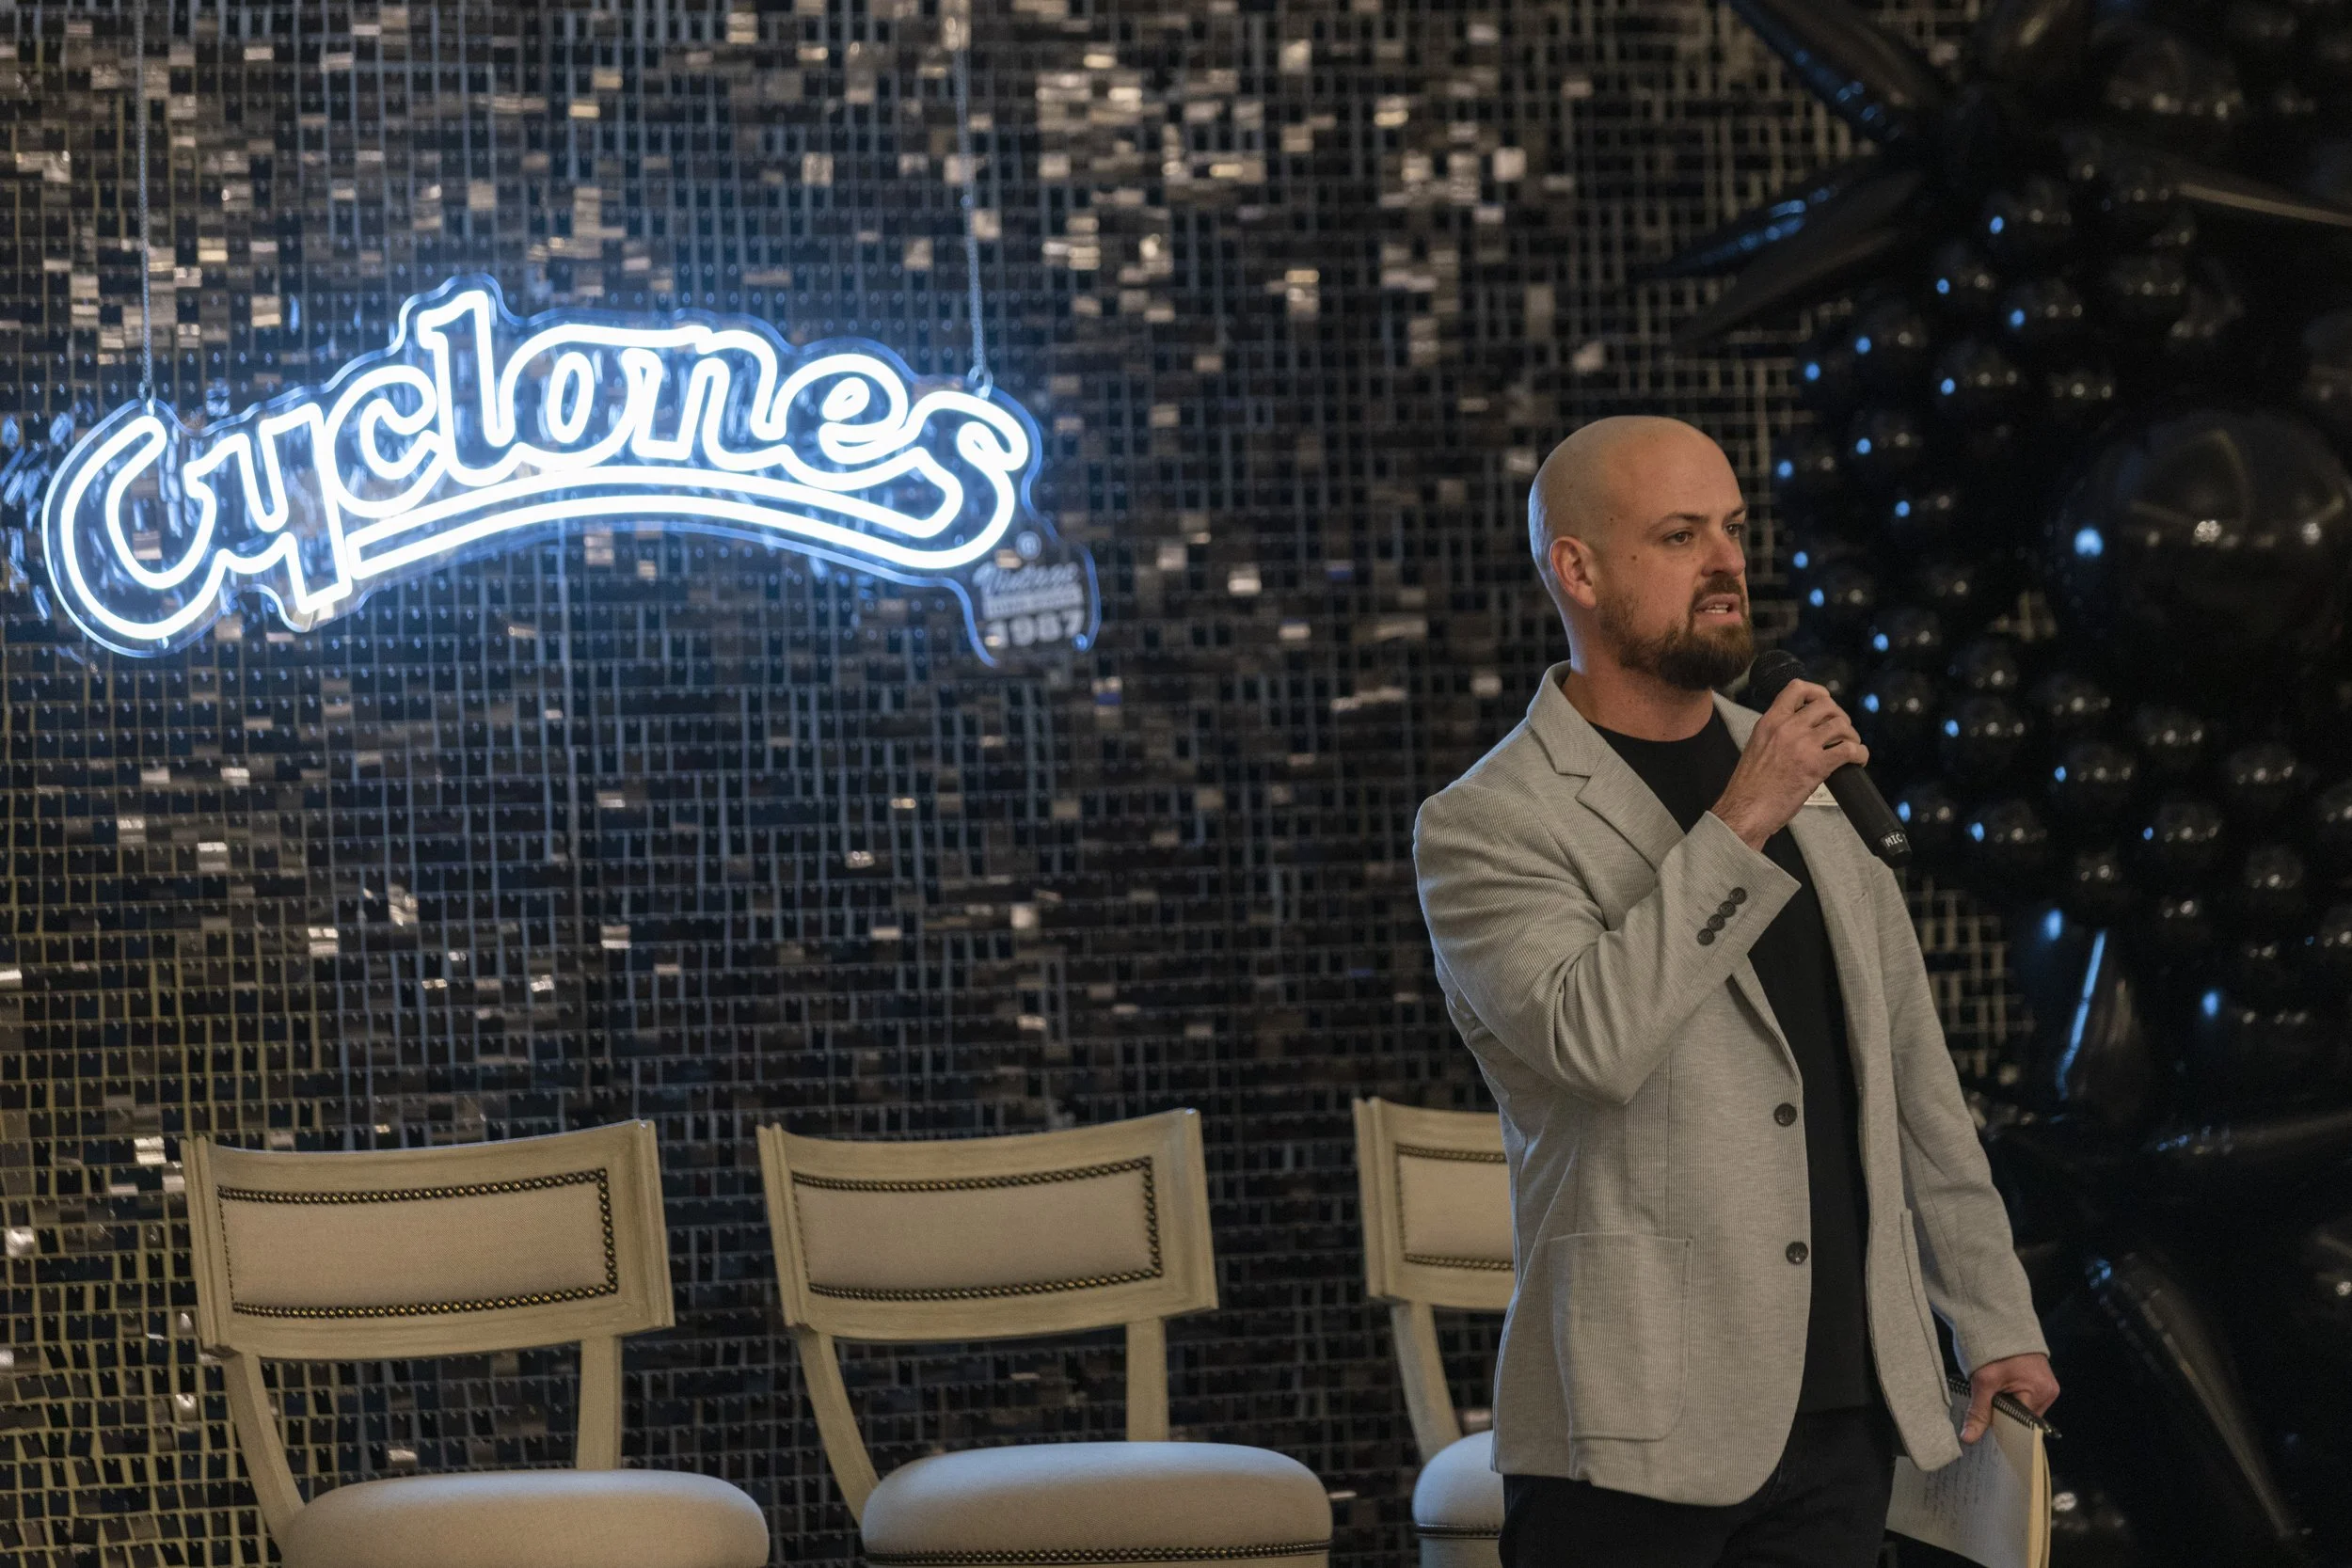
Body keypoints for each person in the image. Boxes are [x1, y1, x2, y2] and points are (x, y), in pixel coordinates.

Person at [1411, 417, 2058, 1568]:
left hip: (1846, 1406)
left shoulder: (1807, 773)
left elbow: (1912, 1072)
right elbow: (1592, 1037)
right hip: (1632, 1425)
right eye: (1678, 534)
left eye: (1732, 528)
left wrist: (1992, 1313)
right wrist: (1741, 819)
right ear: (1578, 570)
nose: (1726, 562)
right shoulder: (1488, 821)